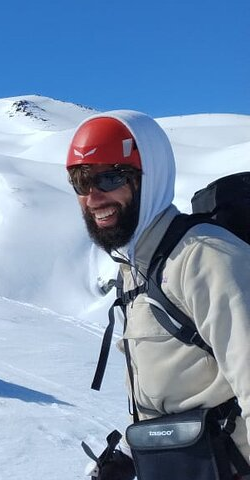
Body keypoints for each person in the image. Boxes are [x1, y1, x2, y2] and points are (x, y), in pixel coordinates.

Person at [66, 111, 250, 478]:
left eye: (110, 176)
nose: (93, 196)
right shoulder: (137, 268)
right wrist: (134, 459)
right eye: (81, 181)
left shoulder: (205, 257)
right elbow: (177, 392)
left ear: (149, 178)